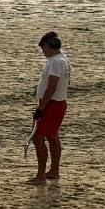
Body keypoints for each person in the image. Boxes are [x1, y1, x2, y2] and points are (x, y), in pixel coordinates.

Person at [29, 31, 69, 184]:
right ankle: (54, 171)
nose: (42, 51)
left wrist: (40, 108)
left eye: (43, 48)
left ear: (50, 45)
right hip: (58, 103)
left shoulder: (55, 62)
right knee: (52, 136)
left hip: (51, 104)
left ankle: (40, 176)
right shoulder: (63, 58)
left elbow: (52, 88)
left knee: (38, 137)